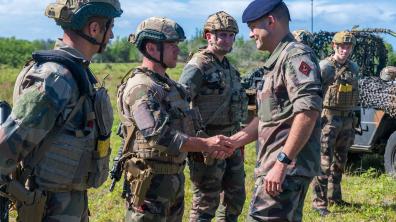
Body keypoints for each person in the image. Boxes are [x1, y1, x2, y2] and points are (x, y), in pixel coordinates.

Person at [0, 0, 122, 221]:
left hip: (67, 205)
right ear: (94, 28)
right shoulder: (56, 78)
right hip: (48, 209)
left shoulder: (74, 73)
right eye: (110, 27)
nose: (111, 35)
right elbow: (6, 146)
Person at [117, 16, 234, 222]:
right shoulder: (141, 87)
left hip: (173, 181)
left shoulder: (171, 87)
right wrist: (206, 144)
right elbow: (158, 135)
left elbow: (189, 125)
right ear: (152, 48)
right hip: (149, 185)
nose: (177, 50)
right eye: (172, 45)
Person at [228, 0, 323, 221]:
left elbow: (308, 111)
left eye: (252, 27)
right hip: (280, 168)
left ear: (270, 21)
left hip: (285, 169)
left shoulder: (295, 56)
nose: (251, 35)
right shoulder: (278, 60)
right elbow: (268, 117)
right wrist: (235, 142)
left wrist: (282, 162)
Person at [179, 11, 248, 222]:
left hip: (231, 140)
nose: (226, 39)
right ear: (208, 36)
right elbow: (180, 104)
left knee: (235, 196)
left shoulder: (229, 67)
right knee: (206, 202)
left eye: (230, 35)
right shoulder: (198, 65)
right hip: (208, 141)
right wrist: (197, 142)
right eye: (221, 35)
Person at [311, 31, 360, 216]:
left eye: (348, 47)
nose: (345, 50)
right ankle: (319, 203)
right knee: (324, 162)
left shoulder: (353, 68)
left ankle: (335, 197)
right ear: (334, 46)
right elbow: (313, 94)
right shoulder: (324, 67)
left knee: (340, 161)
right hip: (328, 120)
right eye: (341, 46)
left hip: (347, 119)